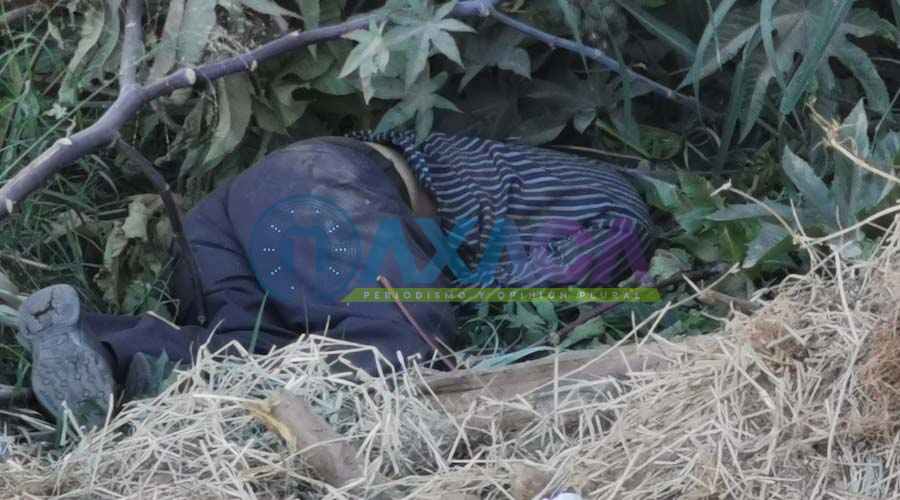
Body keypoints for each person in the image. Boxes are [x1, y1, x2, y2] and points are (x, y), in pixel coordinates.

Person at [15, 131, 654, 428]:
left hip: (227, 217)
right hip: (322, 188)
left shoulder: (541, 175)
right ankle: (288, 435)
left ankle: (101, 350)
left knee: (241, 356)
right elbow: (527, 304)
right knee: (404, 345)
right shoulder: (619, 212)